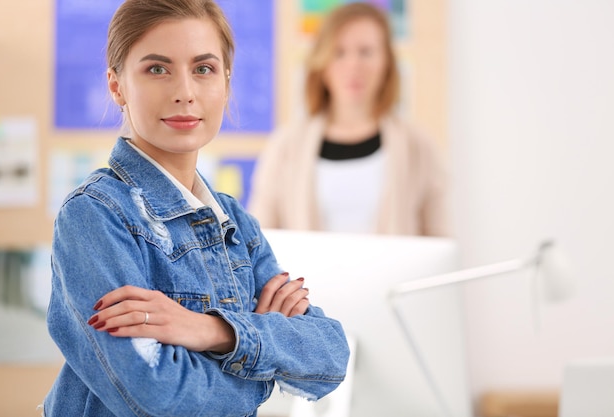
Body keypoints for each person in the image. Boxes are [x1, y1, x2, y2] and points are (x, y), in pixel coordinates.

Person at [41, 1, 349, 416]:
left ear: (225, 82)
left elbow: (330, 357)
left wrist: (210, 330)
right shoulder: (94, 216)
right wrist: (262, 368)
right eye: (157, 69)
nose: (184, 92)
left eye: (203, 69)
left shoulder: (235, 222)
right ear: (117, 86)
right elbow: (157, 400)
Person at [249, 2, 449, 236]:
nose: (353, 65)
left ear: (387, 63)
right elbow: (260, 243)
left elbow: (442, 240)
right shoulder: (285, 147)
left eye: (366, 52)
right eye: (339, 52)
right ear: (322, 63)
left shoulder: (419, 146)